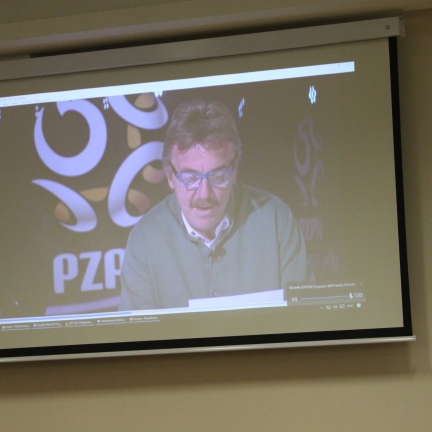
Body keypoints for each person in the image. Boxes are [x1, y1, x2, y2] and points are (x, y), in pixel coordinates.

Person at [119, 100, 310, 310]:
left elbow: (306, 316)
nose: (204, 194)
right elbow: (138, 329)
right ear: (169, 176)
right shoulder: (144, 240)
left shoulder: (276, 221)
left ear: (234, 171)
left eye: (218, 176)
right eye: (190, 177)